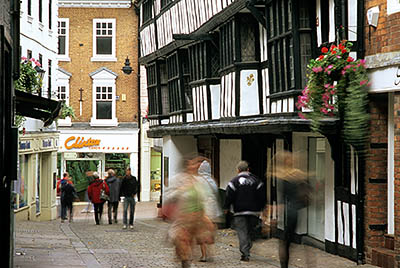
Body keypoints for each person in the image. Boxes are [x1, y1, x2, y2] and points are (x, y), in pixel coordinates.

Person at [166, 156, 214, 268]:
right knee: (183, 242)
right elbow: (169, 196)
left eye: (196, 164)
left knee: (192, 243)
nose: (195, 166)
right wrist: (181, 190)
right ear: (187, 166)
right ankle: (184, 260)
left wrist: (208, 218)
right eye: (192, 164)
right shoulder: (178, 179)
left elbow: (207, 198)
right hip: (183, 217)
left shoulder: (199, 181)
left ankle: (186, 259)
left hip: (197, 218)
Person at [273, 151, 312, 268]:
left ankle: (284, 265)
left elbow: (282, 197)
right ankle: (284, 264)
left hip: (291, 210)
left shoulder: (283, 177)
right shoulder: (297, 175)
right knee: (287, 240)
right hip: (294, 210)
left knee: (286, 241)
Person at [223, 160, 266, 262]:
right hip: (254, 211)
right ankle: (248, 246)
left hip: (239, 211)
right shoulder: (257, 181)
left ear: (238, 170)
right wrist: (263, 208)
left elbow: (229, 196)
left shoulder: (233, 182)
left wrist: (226, 207)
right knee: (250, 230)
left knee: (242, 232)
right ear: (248, 169)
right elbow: (262, 196)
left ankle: (245, 253)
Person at [195, 159, 223, 262]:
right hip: (214, 211)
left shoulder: (198, 181)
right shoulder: (212, 181)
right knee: (209, 231)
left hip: (203, 210)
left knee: (201, 232)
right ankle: (210, 252)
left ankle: (204, 255)